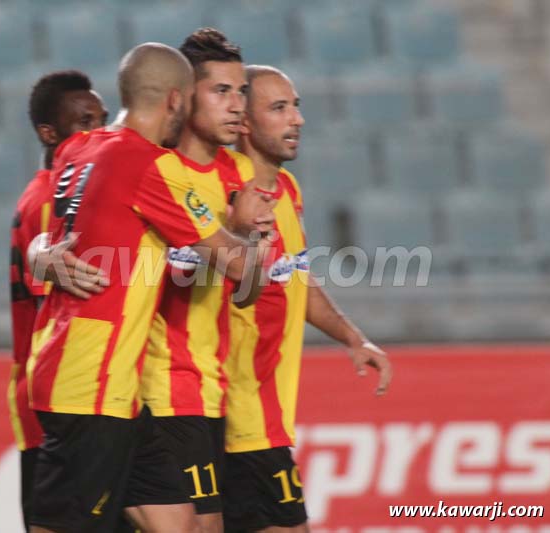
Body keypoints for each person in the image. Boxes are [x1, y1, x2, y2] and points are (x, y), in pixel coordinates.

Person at [25, 42, 272, 533]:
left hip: (101, 380)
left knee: (178, 522)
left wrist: (38, 253)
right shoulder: (148, 167)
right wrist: (244, 228)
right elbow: (241, 268)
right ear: (177, 101)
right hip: (89, 383)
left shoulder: (78, 148)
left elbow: (49, 224)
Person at [223, 65, 394, 533]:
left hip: (264, 414)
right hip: (235, 413)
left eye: (296, 106)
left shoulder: (287, 191)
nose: (296, 119)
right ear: (244, 123)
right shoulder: (224, 193)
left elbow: (296, 277)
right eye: (279, 108)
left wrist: (352, 337)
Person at [129, 28, 258, 533]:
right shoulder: (162, 172)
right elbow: (177, 275)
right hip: (166, 385)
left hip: (214, 388)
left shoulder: (237, 172)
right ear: (184, 97)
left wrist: (250, 248)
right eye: (221, 91)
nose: (236, 106)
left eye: (241, 91)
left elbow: (249, 290)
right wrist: (238, 233)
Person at [8, 70, 108, 531]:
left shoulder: (67, 193)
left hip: (76, 395)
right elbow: (67, 308)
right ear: (49, 134)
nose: (99, 132)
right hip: (57, 401)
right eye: (84, 122)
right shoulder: (53, 200)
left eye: (102, 119)